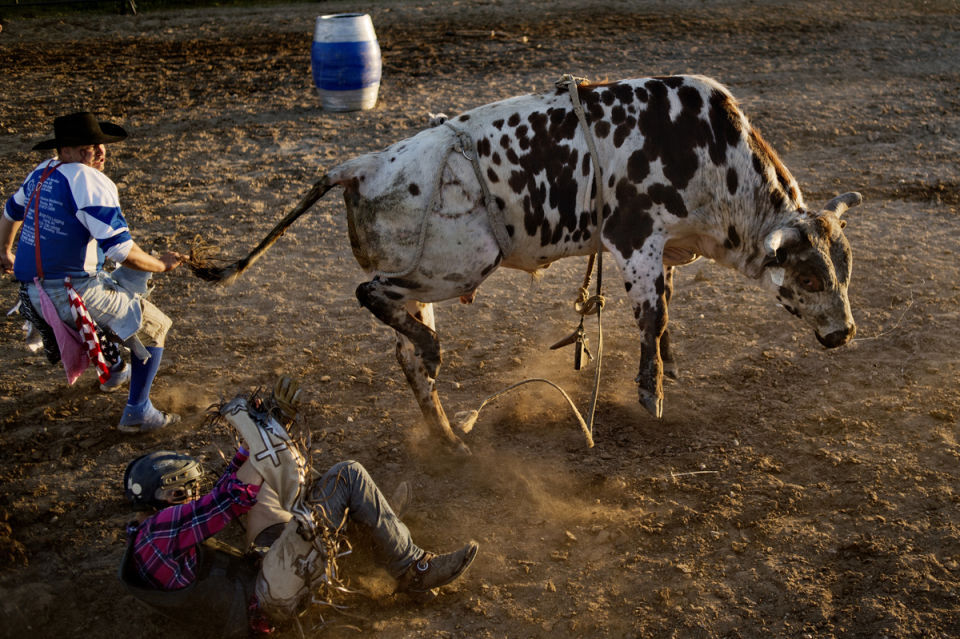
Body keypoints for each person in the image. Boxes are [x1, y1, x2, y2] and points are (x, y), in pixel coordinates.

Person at [118, 378, 478, 637]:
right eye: (185, 489)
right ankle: (414, 568)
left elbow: (228, 492)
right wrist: (267, 436)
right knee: (347, 475)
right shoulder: (163, 529)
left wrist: (259, 441)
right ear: (167, 496)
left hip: (256, 587)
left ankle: (372, 523)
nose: (194, 492)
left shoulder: (149, 534)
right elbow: (230, 498)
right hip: (268, 600)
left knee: (268, 487)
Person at [0, 111, 184, 431]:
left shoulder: (42, 172)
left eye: (100, 144)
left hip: (32, 293)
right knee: (153, 326)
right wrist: (161, 265)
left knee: (108, 298)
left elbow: (10, 211)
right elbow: (121, 251)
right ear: (66, 151)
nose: (99, 152)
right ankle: (138, 411)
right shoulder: (89, 181)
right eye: (88, 146)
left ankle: (114, 371)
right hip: (70, 293)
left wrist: (4, 250)